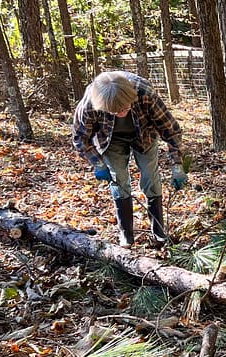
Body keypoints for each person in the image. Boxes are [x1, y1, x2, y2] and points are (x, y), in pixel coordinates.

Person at [72, 70, 188, 247]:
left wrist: (177, 166)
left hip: (144, 136)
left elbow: (171, 130)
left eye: (124, 108)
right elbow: (80, 138)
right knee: (119, 180)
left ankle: (158, 232)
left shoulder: (145, 94)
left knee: (151, 177)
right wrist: (98, 163)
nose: (121, 114)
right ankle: (126, 234)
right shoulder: (90, 103)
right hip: (110, 140)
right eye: (115, 111)